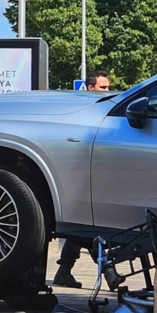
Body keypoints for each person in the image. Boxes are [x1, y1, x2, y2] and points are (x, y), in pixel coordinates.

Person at [53, 70, 110, 288]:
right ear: (89, 88)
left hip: (95, 174)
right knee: (88, 228)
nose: (107, 91)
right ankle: (107, 271)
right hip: (82, 175)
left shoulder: (103, 109)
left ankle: (65, 270)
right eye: (103, 87)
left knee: (82, 229)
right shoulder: (84, 110)